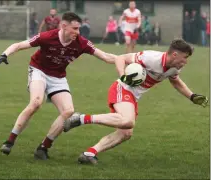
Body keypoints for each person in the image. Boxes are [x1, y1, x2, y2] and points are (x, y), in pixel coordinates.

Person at [0, 12, 117, 160]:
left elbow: (107, 57)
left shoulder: (82, 43)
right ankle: (10, 141)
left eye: (78, 29)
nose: (77, 32)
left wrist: (132, 59)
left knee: (68, 111)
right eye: (74, 28)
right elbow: (19, 45)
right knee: (36, 102)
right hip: (39, 70)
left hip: (58, 77)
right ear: (63, 26)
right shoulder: (47, 37)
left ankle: (43, 148)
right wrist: (4, 54)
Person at [63, 38, 209, 165]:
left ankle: (89, 154)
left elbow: (176, 82)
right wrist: (123, 75)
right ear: (175, 54)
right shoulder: (151, 58)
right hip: (123, 89)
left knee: (126, 133)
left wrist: (191, 96)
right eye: (185, 57)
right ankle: (80, 118)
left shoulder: (174, 68)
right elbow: (120, 58)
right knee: (128, 121)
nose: (186, 62)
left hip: (133, 97)